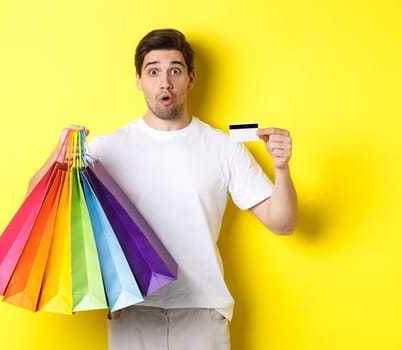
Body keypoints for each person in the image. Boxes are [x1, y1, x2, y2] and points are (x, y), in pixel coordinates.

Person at [27, 28, 297, 350]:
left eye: (175, 71)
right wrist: (56, 157)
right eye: (153, 71)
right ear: (139, 80)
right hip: (132, 310)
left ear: (191, 78)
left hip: (202, 311)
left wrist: (281, 167)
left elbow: (282, 222)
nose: (164, 82)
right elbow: (37, 202)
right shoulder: (106, 149)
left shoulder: (223, 148)